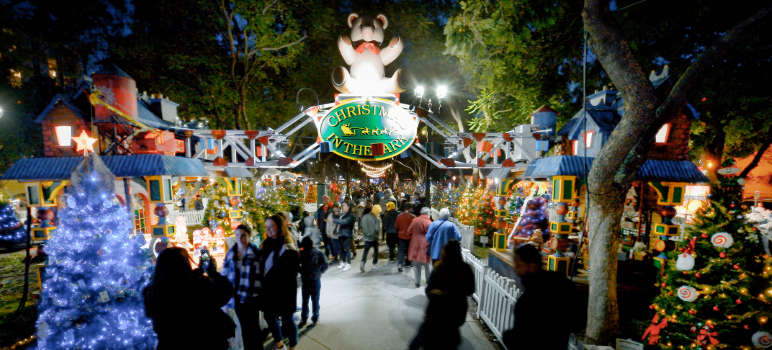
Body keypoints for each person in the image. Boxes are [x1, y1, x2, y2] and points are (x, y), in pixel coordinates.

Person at [143, 247, 234, 350]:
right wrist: (212, 272)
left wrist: (199, 271)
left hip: (169, 344)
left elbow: (177, 282)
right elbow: (224, 293)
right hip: (203, 342)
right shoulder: (197, 286)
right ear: (184, 264)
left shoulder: (152, 291)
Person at [502, 244, 580, 350]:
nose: (516, 270)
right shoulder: (563, 285)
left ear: (532, 267)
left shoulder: (528, 301)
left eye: (519, 266)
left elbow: (521, 340)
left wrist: (508, 337)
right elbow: (576, 322)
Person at [409, 240, 474, 350]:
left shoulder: (440, 267)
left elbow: (429, 289)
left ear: (444, 252)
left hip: (438, 311)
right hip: (457, 312)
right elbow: (471, 290)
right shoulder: (465, 269)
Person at [260, 214, 300, 350]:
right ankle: (279, 344)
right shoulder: (266, 244)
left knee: (288, 320)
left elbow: (290, 276)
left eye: (272, 226)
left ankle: (293, 347)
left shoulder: (288, 248)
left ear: (280, 227)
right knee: (269, 316)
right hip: (270, 291)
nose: (269, 229)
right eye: (267, 227)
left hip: (284, 293)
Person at [222, 225, 264, 350]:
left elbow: (262, 274)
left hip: (252, 296)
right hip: (237, 297)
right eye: (238, 235)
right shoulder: (231, 253)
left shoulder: (255, 252)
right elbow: (225, 273)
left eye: (244, 235)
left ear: (249, 236)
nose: (241, 238)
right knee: (244, 328)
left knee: (254, 327)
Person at [298, 235, 328, 328]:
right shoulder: (318, 252)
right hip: (315, 279)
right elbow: (325, 264)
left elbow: (297, 266)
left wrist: (302, 272)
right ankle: (315, 317)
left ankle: (304, 318)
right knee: (315, 299)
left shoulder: (301, 253)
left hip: (306, 280)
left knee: (305, 300)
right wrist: (320, 272)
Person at [407, 207, 432, 287]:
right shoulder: (429, 222)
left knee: (416, 264)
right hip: (425, 244)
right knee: (427, 263)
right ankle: (428, 280)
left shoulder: (415, 220)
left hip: (415, 244)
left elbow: (409, 231)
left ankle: (417, 282)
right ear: (428, 213)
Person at [333, 202, 356, 271]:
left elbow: (344, 222)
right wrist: (335, 230)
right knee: (341, 249)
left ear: (348, 207)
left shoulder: (351, 215)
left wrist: (334, 220)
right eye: (342, 206)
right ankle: (342, 262)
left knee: (346, 248)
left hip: (347, 234)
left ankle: (348, 263)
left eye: (344, 206)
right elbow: (340, 224)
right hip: (341, 234)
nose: (343, 207)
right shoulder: (342, 215)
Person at [395, 203, 415, 272]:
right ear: (410, 209)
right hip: (410, 237)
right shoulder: (413, 217)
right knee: (409, 250)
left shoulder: (399, 216)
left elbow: (396, 226)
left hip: (401, 236)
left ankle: (400, 265)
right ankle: (408, 264)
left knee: (401, 251)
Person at [359, 207, 381, 272]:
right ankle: (374, 263)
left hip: (366, 237)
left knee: (366, 251)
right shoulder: (375, 217)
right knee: (376, 250)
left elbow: (361, 226)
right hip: (374, 237)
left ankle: (362, 262)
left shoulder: (364, 218)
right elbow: (377, 228)